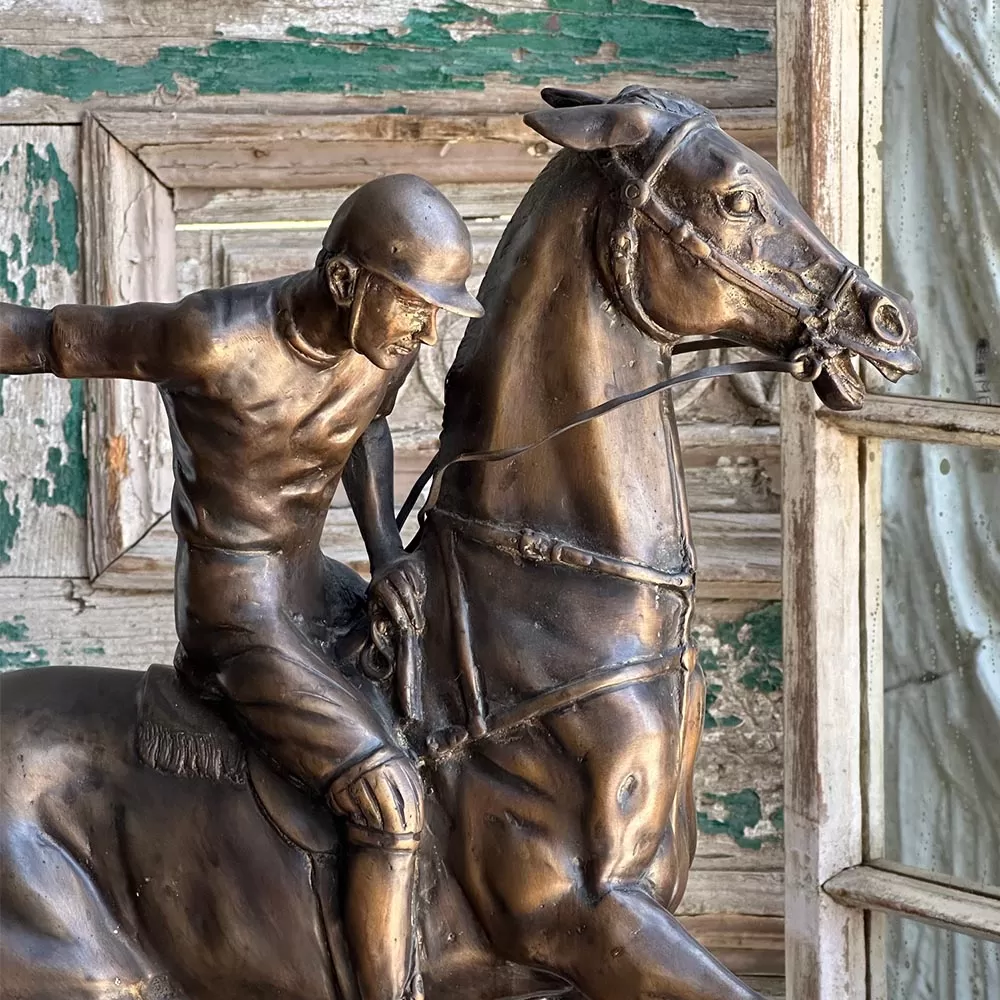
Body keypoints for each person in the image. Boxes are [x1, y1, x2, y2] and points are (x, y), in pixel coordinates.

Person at [0, 173, 484, 1000]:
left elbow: (364, 425)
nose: (428, 329)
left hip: (309, 583)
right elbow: (49, 338)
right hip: (237, 617)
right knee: (391, 799)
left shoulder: (384, 346)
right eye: (414, 304)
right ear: (344, 282)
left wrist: (385, 552)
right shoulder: (211, 340)